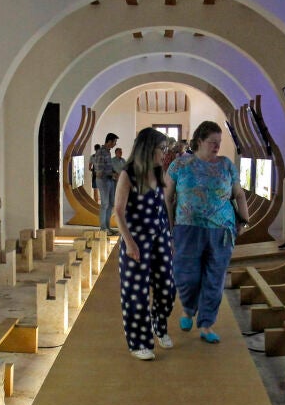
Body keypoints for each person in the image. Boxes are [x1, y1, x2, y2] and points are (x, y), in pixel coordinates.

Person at [166, 121, 249, 344]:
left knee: (215, 277)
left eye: (219, 142)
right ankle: (188, 309)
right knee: (186, 275)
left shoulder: (226, 165)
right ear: (200, 140)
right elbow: (167, 198)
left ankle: (206, 324)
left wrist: (244, 221)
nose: (217, 146)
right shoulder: (180, 164)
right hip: (187, 228)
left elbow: (239, 194)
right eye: (212, 142)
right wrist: (170, 227)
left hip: (221, 230)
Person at [113, 128, 175, 361]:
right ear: (149, 148)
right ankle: (139, 342)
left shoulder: (159, 171)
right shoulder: (128, 174)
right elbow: (118, 212)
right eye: (162, 149)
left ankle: (159, 324)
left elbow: (162, 207)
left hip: (160, 237)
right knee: (136, 293)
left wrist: (169, 237)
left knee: (167, 287)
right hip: (136, 240)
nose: (165, 153)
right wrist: (129, 243)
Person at [93, 132, 119, 234]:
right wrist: (112, 174)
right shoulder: (100, 152)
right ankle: (103, 229)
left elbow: (108, 167)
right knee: (104, 204)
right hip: (103, 181)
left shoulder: (108, 152)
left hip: (109, 180)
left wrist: (114, 173)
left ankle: (108, 227)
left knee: (111, 203)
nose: (115, 144)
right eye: (114, 142)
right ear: (109, 141)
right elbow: (99, 172)